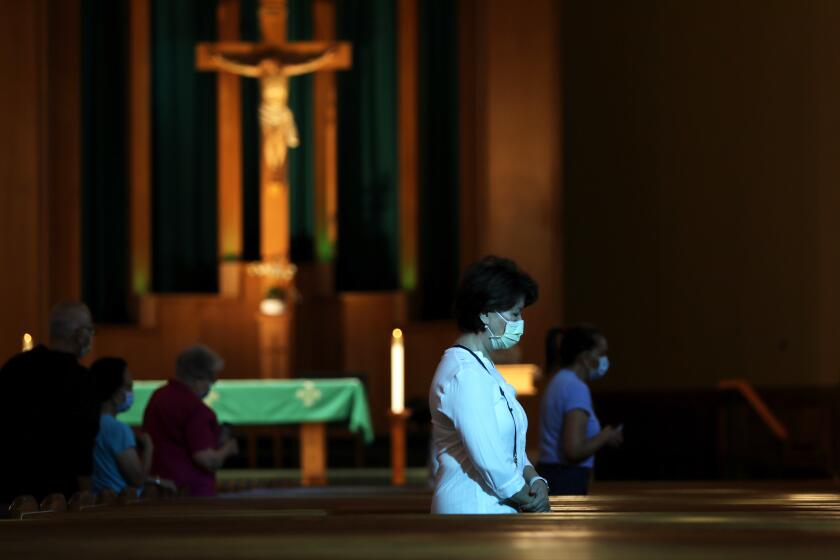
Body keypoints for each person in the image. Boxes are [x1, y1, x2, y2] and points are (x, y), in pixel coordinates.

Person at [429, 256, 550, 514]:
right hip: (471, 510)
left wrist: (535, 479)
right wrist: (533, 503)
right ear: (485, 312)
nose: (520, 323)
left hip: (493, 510)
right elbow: (490, 459)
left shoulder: (484, 367)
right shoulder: (465, 374)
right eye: (515, 314)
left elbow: (510, 448)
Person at [0, 302, 100, 503]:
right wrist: (86, 494)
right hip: (59, 495)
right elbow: (83, 443)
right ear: (80, 335)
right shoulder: (81, 380)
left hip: (10, 490)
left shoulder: (14, 367)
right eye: (90, 330)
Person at [142, 344, 238, 497]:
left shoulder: (158, 396)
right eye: (211, 378)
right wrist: (228, 449)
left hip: (159, 487)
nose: (211, 385)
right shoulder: (196, 408)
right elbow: (207, 460)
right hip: (190, 493)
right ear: (199, 378)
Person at [538, 326, 623, 495]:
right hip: (567, 479)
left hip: (552, 474)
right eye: (601, 354)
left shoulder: (558, 380)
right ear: (585, 357)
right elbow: (573, 451)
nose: (604, 360)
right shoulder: (576, 387)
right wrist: (605, 435)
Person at [90, 357, 175, 495]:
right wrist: (149, 446)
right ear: (115, 390)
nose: (131, 393)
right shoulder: (117, 429)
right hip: (118, 505)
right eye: (128, 387)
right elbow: (137, 479)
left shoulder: (88, 422)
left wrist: (155, 481)